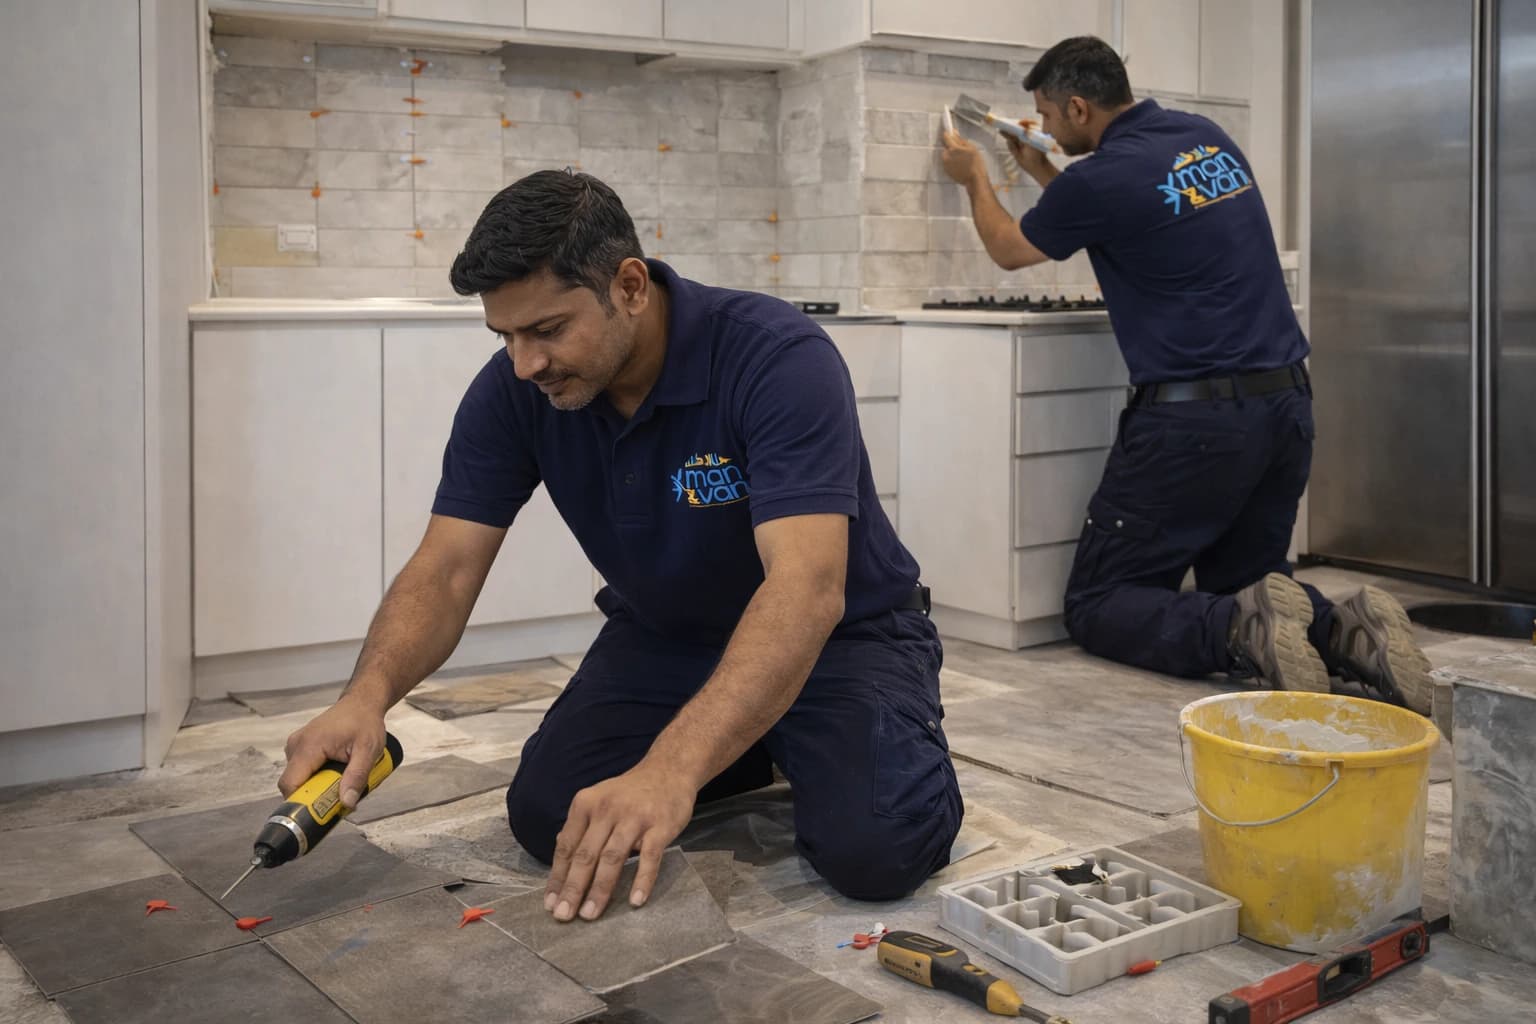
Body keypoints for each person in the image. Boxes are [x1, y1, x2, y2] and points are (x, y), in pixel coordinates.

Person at [278, 169, 963, 921]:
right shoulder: (515, 391)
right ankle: (753, 740)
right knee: (549, 816)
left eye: (547, 330)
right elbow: (446, 569)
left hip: (841, 637)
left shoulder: (776, 357)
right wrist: (365, 698)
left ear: (630, 287)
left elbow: (806, 588)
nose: (525, 363)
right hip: (666, 638)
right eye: (505, 336)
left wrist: (672, 768)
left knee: (876, 849)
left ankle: (777, 739)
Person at [938, 36, 1433, 714]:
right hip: (1285, 406)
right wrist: (1045, 170)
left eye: (1048, 115)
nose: (1044, 127)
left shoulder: (1100, 178)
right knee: (1248, 582)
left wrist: (975, 176)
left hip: (1196, 421)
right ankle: (1348, 631)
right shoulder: (1203, 138)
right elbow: (1127, 213)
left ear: (1078, 107)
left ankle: (1234, 632)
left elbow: (1009, 249)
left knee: (1099, 602)